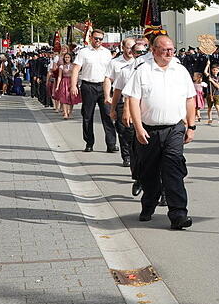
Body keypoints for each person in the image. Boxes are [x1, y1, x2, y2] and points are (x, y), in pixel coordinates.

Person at [123, 35, 196, 230]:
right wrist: (138, 128)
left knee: (173, 170)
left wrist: (191, 126)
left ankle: (178, 214)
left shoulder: (180, 71)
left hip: (174, 129)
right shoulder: (142, 71)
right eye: (165, 50)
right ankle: (148, 205)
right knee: (149, 174)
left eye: (172, 49)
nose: (169, 53)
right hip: (149, 131)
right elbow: (133, 100)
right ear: (154, 51)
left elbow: (190, 99)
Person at [70, 29, 117, 153]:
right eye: (96, 38)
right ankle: (89, 143)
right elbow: (75, 69)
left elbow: (112, 71)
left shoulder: (107, 53)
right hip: (88, 86)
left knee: (108, 115)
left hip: (103, 87)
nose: (98, 41)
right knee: (87, 116)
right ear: (91, 38)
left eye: (100, 39)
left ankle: (111, 144)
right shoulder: (83, 52)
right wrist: (73, 85)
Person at [104, 38, 137, 166]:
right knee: (123, 129)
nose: (131, 50)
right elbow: (108, 79)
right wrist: (107, 96)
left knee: (135, 130)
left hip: (138, 102)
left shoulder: (140, 62)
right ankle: (127, 156)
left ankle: (136, 156)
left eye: (133, 47)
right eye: (128, 47)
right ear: (123, 47)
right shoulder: (115, 63)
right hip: (121, 100)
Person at [53, 53, 82, 119]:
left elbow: (76, 75)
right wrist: (57, 86)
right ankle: (65, 113)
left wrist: (76, 83)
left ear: (71, 58)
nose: (67, 58)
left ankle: (70, 112)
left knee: (72, 98)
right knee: (64, 97)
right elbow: (60, 76)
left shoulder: (74, 66)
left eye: (68, 57)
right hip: (64, 82)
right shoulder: (61, 66)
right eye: (65, 57)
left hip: (72, 82)